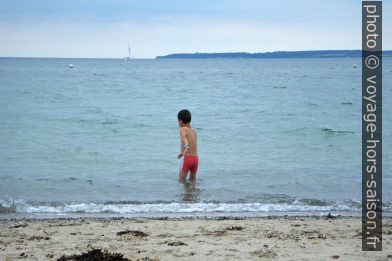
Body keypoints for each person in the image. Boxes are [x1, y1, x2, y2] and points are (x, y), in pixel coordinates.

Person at [177, 109, 198, 182]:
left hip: (187, 159)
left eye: (178, 121)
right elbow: (193, 144)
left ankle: (185, 193)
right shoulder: (194, 130)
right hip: (195, 159)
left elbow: (184, 137)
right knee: (192, 181)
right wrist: (182, 152)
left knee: (181, 181)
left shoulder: (182, 129)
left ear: (180, 121)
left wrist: (186, 146)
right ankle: (192, 193)